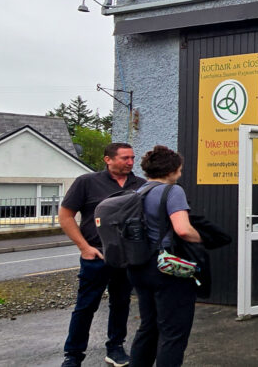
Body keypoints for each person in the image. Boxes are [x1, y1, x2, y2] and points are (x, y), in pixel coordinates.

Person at [59, 142, 146, 367]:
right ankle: (73, 355)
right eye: (124, 158)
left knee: (121, 303)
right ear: (108, 159)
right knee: (86, 305)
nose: (130, 162)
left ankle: (115, 348)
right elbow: (66, 216)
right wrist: (84, 248)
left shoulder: (141, 185)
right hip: (96, 256)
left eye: (132, 158)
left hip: (127, 256)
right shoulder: (86, 183)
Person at [127, 145, 203, 367]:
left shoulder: (139, 191)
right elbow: (182, 229)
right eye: (179, 169)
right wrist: (201, 239)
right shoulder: (173, 191)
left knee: (148, 327)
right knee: (173, 333)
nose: (180, 173)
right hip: (165, 267)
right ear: (171, 171)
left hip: (139, 266)